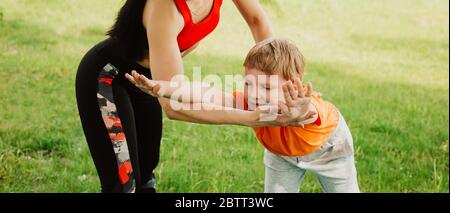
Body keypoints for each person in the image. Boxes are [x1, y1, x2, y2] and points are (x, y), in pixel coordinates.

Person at [76, 0, 311, 193]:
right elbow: (174, 107)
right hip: (107, 78)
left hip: (149, 79)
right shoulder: (164, 7)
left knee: (146, 172)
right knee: (124, 182)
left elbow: (257, 20)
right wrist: (250, 117)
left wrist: (276, 83)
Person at [127, 38, 360, 193]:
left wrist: (300, 112)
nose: (256, 94)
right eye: (250, 83)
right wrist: (163, 88)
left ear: (294, 84)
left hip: (330, 152)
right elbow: (208, 93)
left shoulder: (305, 105)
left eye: (267, 87)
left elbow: (309, 113)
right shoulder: (251, 100)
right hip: (282, 154)